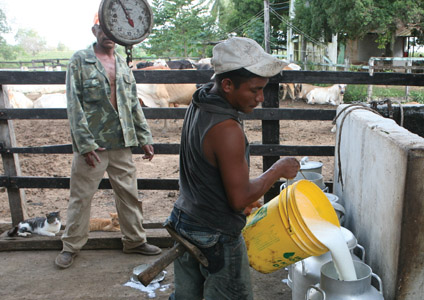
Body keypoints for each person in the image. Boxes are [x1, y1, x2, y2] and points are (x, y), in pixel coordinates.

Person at [166, 37, 300, 299]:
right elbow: (239, 199)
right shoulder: (226, 129)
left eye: (263, 89)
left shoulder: (201, 99)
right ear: (227, 84)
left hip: (184, 219)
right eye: (254, 90)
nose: (261, 98)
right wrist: (277, 169)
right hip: (215, 234)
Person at [55, 13, 161, 269]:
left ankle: (135, 241)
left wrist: (144, 136)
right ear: (95, 31)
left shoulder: (123, 63)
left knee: (129, 194)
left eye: (114, 31)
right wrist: (85, 143)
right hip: (94, 146)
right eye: (104, 30)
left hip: (122, 142)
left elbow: (133, 102)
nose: (109, 36)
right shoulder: (80, 60)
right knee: (81, 197)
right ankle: (71, 247)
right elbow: (74, 104)